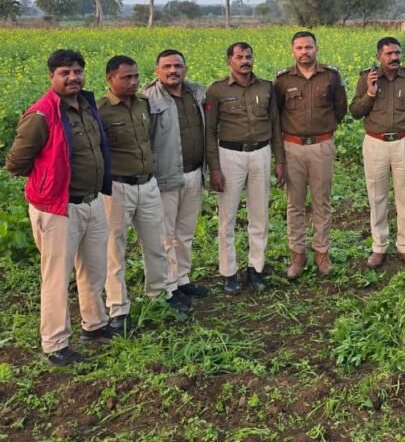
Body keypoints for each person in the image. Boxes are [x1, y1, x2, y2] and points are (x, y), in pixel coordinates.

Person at [5, 50, 113, 365]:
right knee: (56, 278)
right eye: (65, 73)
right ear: (51, 76)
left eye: (77, 71)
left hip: (92, 201)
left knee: (94, 269)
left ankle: (94, 325)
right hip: (57, 208)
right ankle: (55, 344)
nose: (73, 78)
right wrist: (48, 178)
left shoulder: (86, 106)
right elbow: (15, 163)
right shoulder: (41, 114)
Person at [99, 56, 187, 331]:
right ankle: (118, 308)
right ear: (110, 79)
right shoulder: (101, 111)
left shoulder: (143, 104)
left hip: (148, 184)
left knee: (156, 244)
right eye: (126, 77)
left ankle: (157, 296)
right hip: (117, 187)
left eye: (136, 76)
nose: (133, 82)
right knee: (115, 250)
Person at [205, 42, 286, 295]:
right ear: (229, 61)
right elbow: (209, 131)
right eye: (239, 57)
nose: (245, 61)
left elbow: (275, 125)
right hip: (230, 155)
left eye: (248, 56)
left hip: (261, 153)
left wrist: (280, 161)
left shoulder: (266, 87)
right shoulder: (217, 90)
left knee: (259, 215)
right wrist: (214, 168)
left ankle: (256, 269)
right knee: (227, 217)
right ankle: (228, 273)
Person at [350, 37, 405, 268]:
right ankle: (379, 247)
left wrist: (403, 125)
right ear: (379, 56)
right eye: (389, 54)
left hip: (403, 142)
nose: (394, 57)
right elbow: (355, 111)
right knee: (377, 196)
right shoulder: (367, 78)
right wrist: (370, 93)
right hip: (376, 143)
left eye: (397, 53)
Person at [275, 31, 347, 279]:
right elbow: (276, 114)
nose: (304, 52)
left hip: (321, 145)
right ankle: (297, 255)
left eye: (308, 47)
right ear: (292, 51)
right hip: (292, 147)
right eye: (299, 48)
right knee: (295, 204)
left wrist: (322, 128)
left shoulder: (331, 76)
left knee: (321, 201)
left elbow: (340, 109)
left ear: (316, 48)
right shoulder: (283, 80)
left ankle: (321, 253)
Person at [142, 49, 210, 301]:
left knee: (185, 232)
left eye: (178, 66)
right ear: (157, 71)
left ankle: (182, 279)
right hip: (166, 176)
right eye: (167, 67)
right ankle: (168, 287)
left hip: (194, 172)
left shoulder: (196, 93)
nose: (173, 71)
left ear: (185, 69)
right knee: (165, 235)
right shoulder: (148, 99)